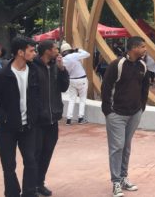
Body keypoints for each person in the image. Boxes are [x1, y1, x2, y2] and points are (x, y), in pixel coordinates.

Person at [0, 36, 39, 197]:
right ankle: (12, 193)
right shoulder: (2, 75)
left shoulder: (34, 71)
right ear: (20, 52)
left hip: (28, 127)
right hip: (7, 129)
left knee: (31, 161)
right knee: (8, 166)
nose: (34, 53)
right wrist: (4, 118)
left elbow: (37, 96)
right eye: (31, 50)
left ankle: (29, 192)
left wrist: (34, 115)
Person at [101, 36, 150, 197]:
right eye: (142, 46)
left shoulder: (142, 65)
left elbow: (145, 87)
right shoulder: (117, 65)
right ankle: (116, 181)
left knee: (126, 147)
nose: (145, 49)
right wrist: (108, 110)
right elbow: (106, 87)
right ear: (134, 47)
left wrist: (141, 107)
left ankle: (123, 177)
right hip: (116, 114)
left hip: (134, 112)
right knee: (117, 147)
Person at [33, 40, 70, 196]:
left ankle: (40, 183)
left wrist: (62, 70)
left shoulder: (56, 67)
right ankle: (31, 185)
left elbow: (64, 87)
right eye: (55, 48)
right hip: (37, 120)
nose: (58, 51)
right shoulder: (32, 67)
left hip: (53, 118)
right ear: (47, 51)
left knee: (47, 152)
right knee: (35, 154)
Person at [61, 41, 90, 125]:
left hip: (71, 80)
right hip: (82, 79)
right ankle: (80, 118)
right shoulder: (74, 55)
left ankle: (69, 119)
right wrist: (77, 49)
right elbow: (87, 54)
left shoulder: (63, 59)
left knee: (71, 99)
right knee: (82, 99)